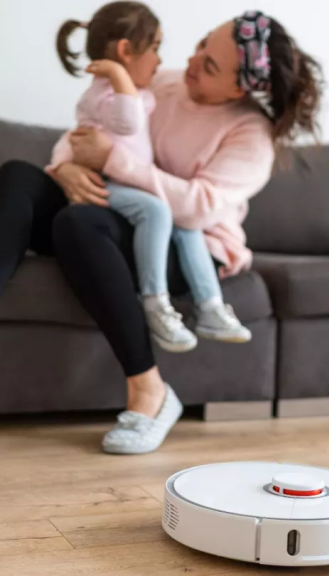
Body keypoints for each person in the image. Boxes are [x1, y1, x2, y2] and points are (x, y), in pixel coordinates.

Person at [0, 8, 323, 455]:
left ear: (240, 88)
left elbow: (197, 208)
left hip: (188, 246)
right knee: (19, 176)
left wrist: (112, 161)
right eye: (202, 44)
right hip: (119, 215)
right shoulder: (164, 84)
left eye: (208, 65)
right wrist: (65, 167)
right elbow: (88, 132)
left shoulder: (252, 135)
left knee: (78, 222)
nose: (190, 60)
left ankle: (151, 392)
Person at [54, 2, 251, 354]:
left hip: (135, 184)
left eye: (208, 65)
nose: (164, 60)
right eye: (156, 47)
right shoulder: (107, 93)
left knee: (187, 223)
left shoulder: (141, 87)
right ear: (126, 51)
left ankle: (210, 306)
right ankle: (155, 303)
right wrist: (119, 77)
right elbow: (124, 123)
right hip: (109, 184)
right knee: (158, 211)